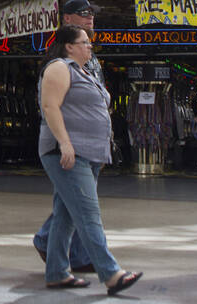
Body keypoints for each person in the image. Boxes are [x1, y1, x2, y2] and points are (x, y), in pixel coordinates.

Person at [36, 25, 142, 295]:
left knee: (66, 215)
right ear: (69, 46)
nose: (89, 46)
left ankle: (57, 272)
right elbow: (50, 106)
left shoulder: (84, 71)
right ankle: (111, 274)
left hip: (89, 153)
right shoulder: (59, 68)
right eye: (84, 42)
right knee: (87, 214)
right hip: (69, 152)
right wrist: (65, 143)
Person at [33, 0, 101, 271]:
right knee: (84, 203)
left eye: (91, 14)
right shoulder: (60, 60)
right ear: (67, 19)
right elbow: (51, 104)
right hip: (73, 141)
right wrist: (65, 141)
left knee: (70, 202)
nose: (90, 19)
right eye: (83, 14)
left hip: (89, 141)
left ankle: (54, 250)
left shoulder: (88, 55)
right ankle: (100, 264)